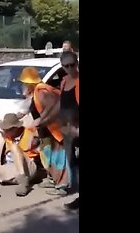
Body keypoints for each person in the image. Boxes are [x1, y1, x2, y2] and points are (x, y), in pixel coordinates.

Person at [18, 67, 70, 196]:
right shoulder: (36, 92)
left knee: (57, 158)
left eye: (24, 83)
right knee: (47, 157)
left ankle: (61, 186)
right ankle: (53, 179)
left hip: (55, 131)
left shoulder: (42, 92)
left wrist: (40, 121)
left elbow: (53, 109)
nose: (22, 86)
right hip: (46, 131)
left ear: (29, 83)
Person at [59, 51, 80, 210]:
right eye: (66, 66)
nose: (70, 68)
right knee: (72, 163)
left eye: (72, 64)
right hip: (67, 130)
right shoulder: (64, 82)